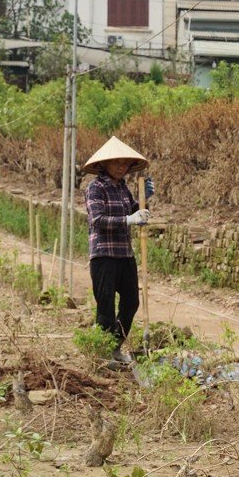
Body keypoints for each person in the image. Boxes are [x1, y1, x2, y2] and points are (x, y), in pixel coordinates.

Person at [82, 136, 152, 364]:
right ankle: (101, 354)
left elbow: (134, 211)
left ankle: (114, 346)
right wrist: (129, 219)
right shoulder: (95, 188)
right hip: (103, 255)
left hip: (124, 253)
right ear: (105, 164)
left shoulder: (123, 188)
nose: (122, 168)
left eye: (125, 164)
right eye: (117, 163)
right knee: (105, 307)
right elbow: (98, 220)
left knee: (131, 301)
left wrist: (144, 202)